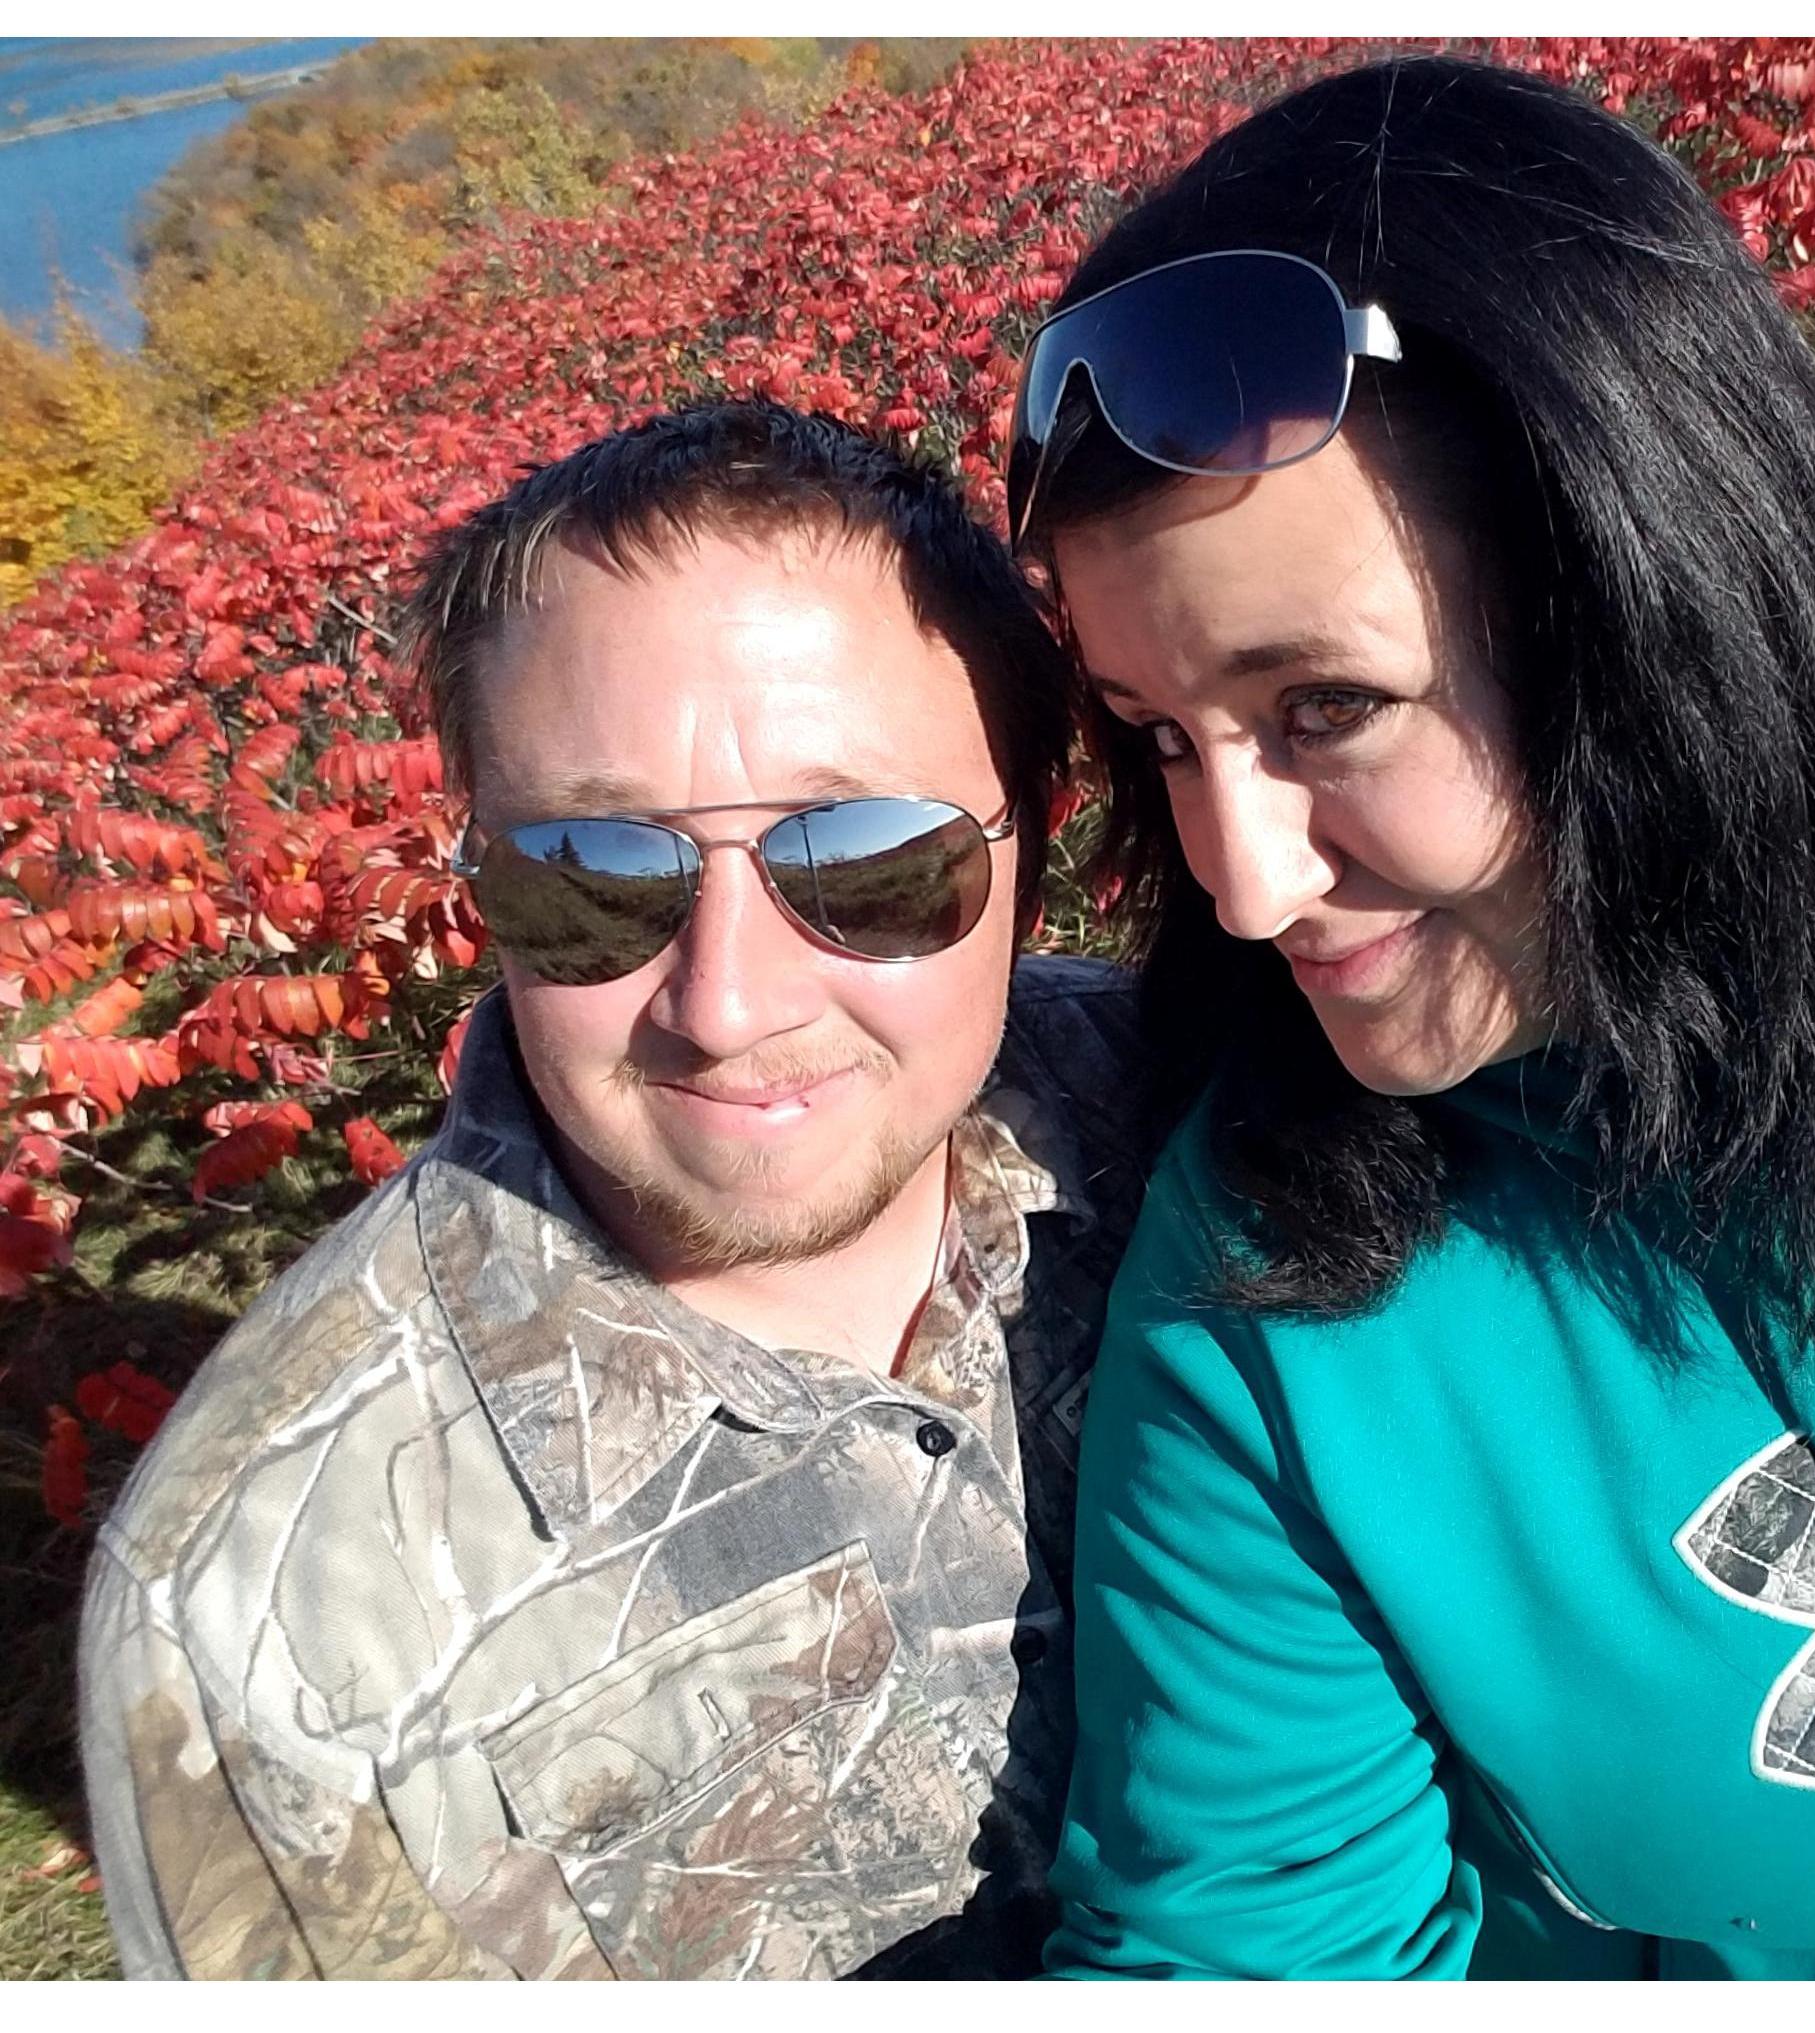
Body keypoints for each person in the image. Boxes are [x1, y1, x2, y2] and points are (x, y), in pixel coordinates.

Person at [1012, 55, 1815, 1979]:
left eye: (1323, 710)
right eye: (1159, 738)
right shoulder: (1283, 1302)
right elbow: (1251, 1947)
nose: (1240, 883)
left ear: (1649, 603)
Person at [77, 401, 1146, 1980]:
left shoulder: (1215, 1111)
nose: (726, 1003)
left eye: (865, 863)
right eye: (593, 872)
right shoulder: (268, 1613)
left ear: (1029, 859)